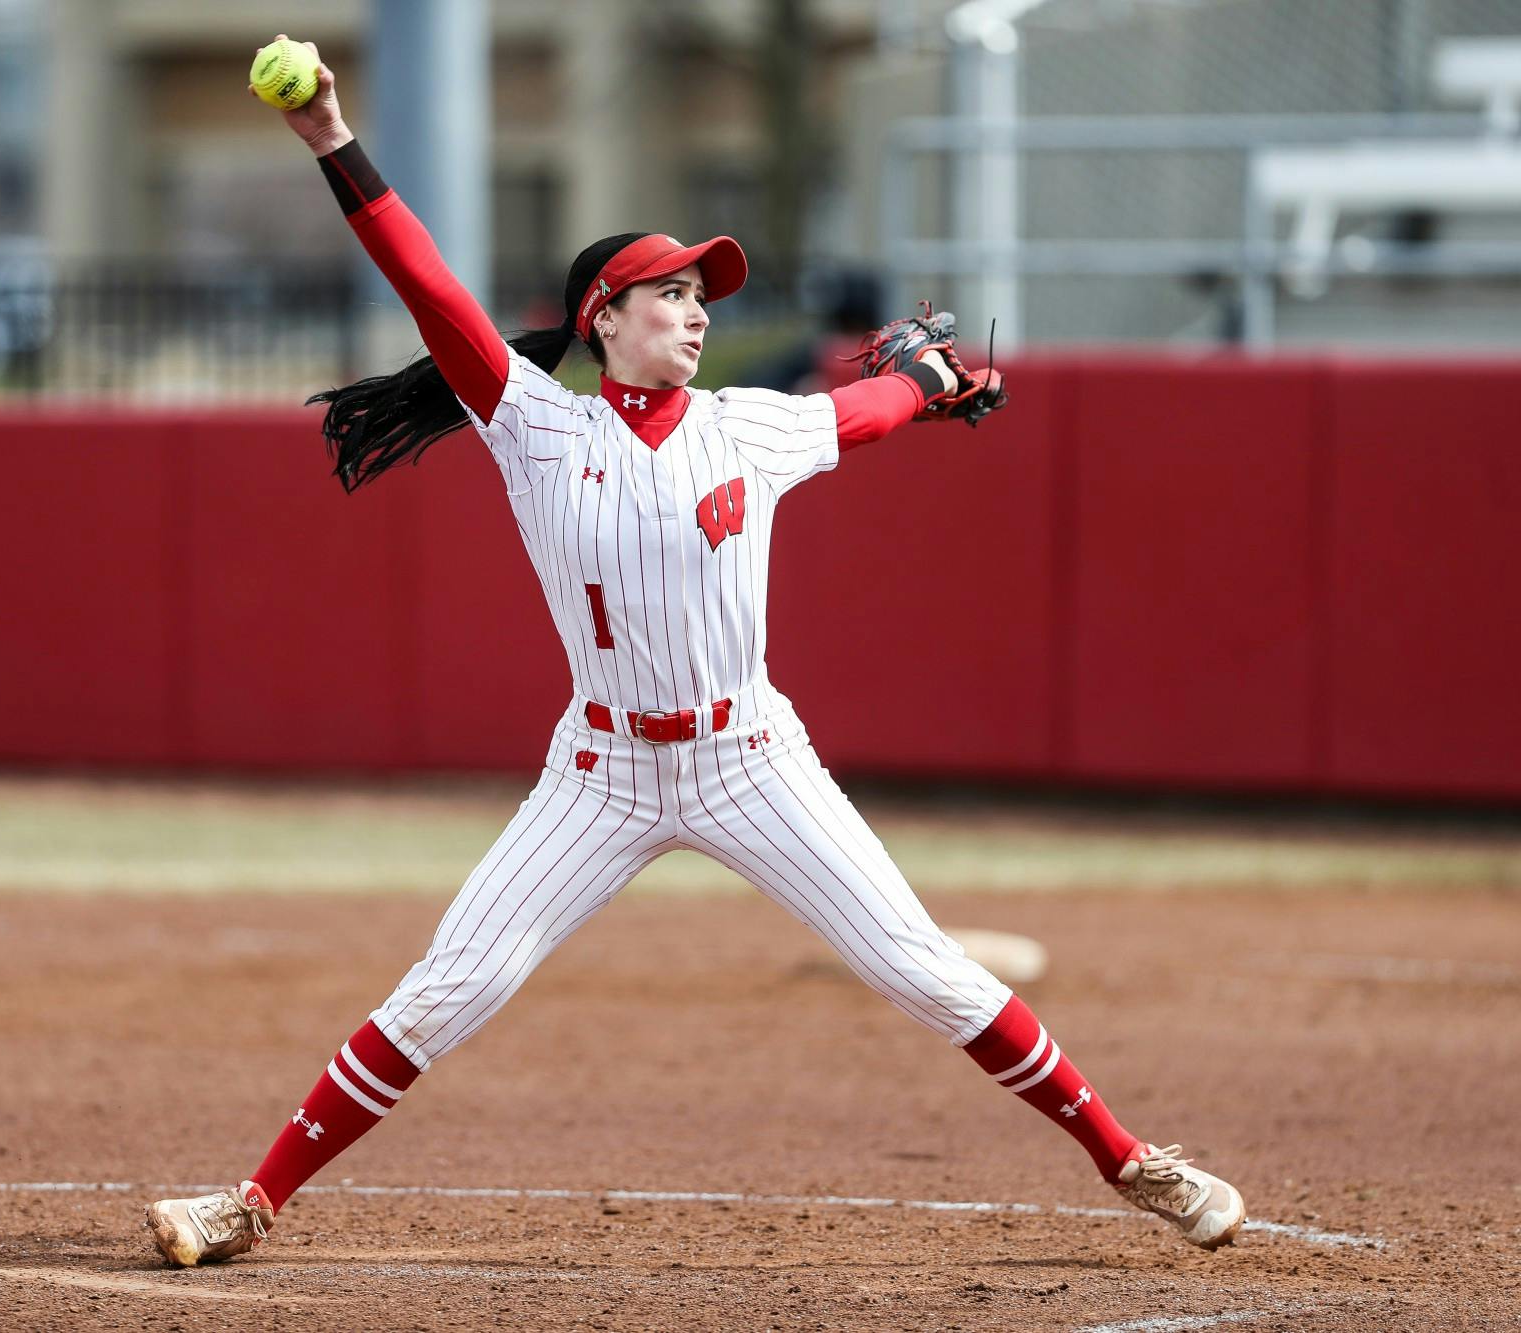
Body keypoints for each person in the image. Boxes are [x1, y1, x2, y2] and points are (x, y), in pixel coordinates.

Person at [146, 38, 1244, 1267]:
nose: (695, 309)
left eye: (702, 293)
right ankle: (246, 1202)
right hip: (599, 773)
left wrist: (928, 385)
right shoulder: (533, 425)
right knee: (451, 987)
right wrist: (332, 140)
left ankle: (1132, 1159)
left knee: (922, 970)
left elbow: (863, 410)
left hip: (748, 756)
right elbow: (429, 287)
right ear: (601, 318)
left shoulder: (749, 430)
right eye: (667, 292)